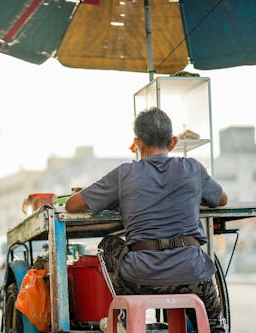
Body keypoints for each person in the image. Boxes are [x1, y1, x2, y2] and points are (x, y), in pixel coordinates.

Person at [65, 107, 229, 333]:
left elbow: (71, 206)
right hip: (191, 273)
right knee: (214, 324)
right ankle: (215, 326)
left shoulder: (124, 174)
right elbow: (221, 199)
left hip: (140, 277)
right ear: (172, 142)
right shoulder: (193, 168)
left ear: (137, 143)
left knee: (108, 245)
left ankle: (123, 318)